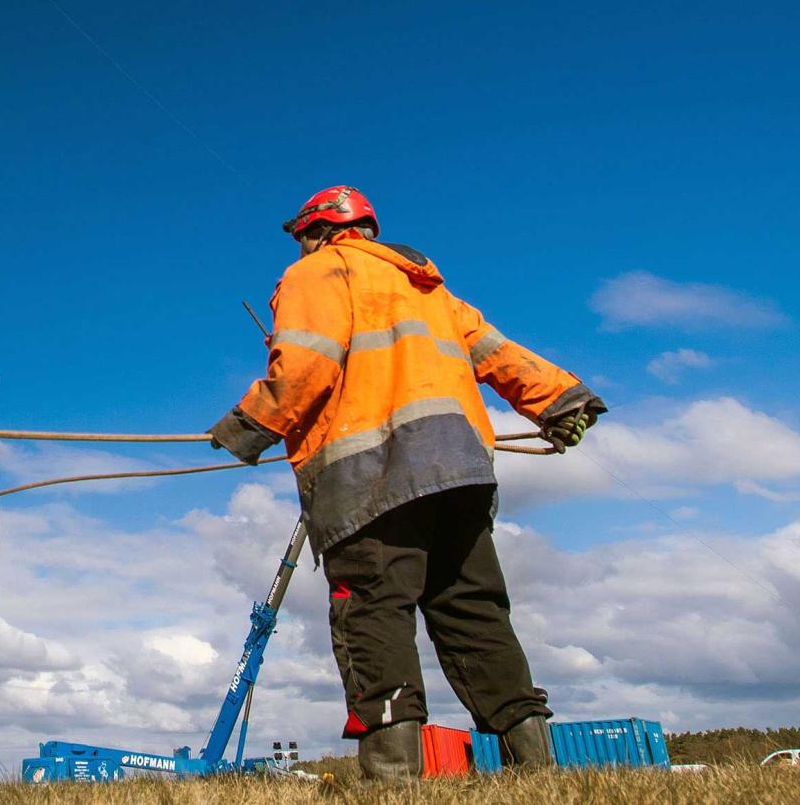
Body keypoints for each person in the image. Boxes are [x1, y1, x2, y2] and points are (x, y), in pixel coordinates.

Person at [207, 185, 604, 780]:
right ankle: (535, 769)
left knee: (373, 610)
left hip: (372, 474)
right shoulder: (427, 287)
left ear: (317, 230)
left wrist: (247, 426)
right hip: (461, 471)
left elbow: (308, 361)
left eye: (301, 238)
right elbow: (497, 352)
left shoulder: (319, 272)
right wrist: (560, 401)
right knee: (475, 613)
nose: (299, 250)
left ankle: (392, 780)